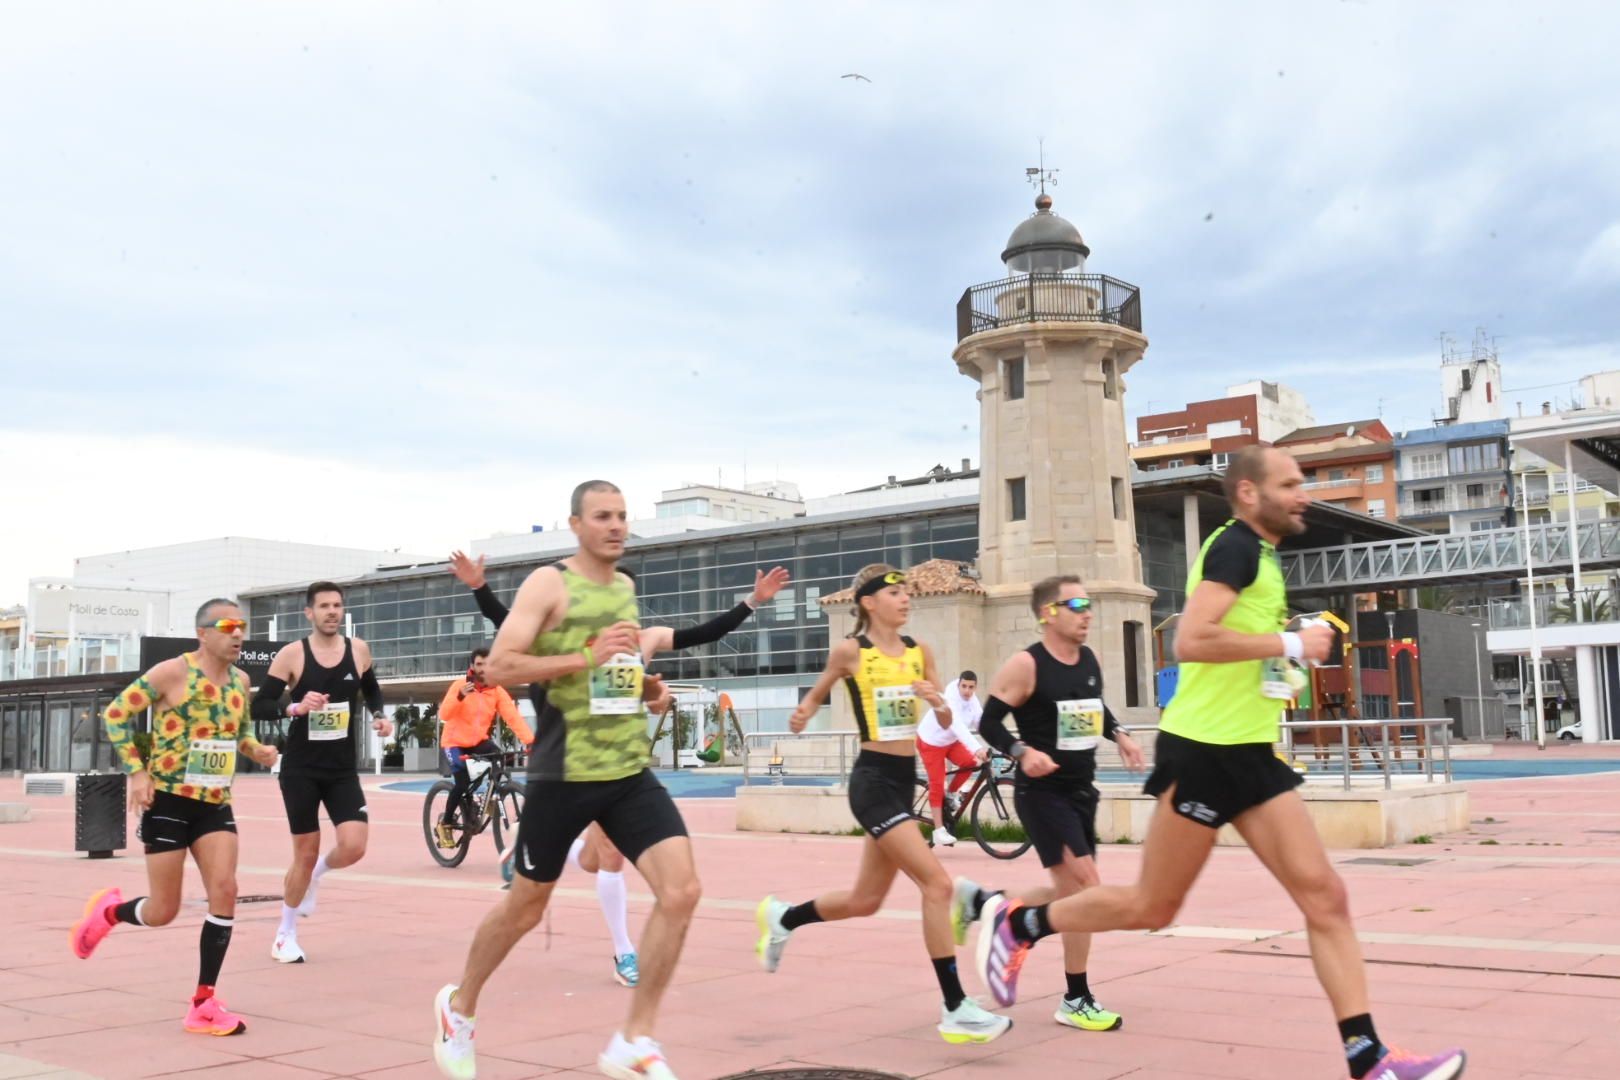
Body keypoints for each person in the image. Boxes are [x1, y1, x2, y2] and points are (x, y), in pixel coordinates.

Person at [974, 447, 1467, 1080]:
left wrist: (1286, 645)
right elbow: (1191, 640)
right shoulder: (1233, 547)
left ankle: (1368, 1057)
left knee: (1326, 897)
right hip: (1205, 752)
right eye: (1288, 485)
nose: (1302, 495)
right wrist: (1291, 642)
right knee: (1152, 907)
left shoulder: (1261, 556)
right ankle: (1023, 921)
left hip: (1252, 753)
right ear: (1247, 494)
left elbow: (1234, 640)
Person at [434, 480, 742, 1080]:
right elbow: (499, 665)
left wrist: (647, 688)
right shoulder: (550, 584)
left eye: (623, 516)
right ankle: (460, 1005)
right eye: (603, 516)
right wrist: (586, 657)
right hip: (564, 772)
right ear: (576, 524)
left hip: (627, 770)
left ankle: (636, 1037)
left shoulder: (625, 588)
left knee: (681, 892)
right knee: (525, 909)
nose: (616, 526)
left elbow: (617, 672)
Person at [449, 549, 789, 990]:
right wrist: (479, 587)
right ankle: (624, 951)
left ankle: (527, 845)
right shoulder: (566, 638)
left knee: (597, 859)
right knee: (601, 860)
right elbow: (507, 624)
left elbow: (706, 632)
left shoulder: (645, 639)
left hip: (621, 762)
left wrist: (753, 601)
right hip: (569, 760)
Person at [753, 564, 1012, 1046]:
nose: (905, 599)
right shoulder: (852, 651)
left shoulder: (920, 652)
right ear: (869, 602)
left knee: (865, 901)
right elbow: (818, 691)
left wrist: (937, 702)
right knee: (935, 883)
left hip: (900, 780)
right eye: (895, 593)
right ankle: (956, 1006)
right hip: (871, 781)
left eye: (908, 593)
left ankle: (783, 918)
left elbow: (945, 714)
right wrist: (802, 714)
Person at [71, 599, 279, 1036]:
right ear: (203, 633)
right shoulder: (172, 672)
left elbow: (240, 732)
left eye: (243, 626)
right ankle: (109, 914)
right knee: (163, 910)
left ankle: (203, 1002)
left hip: (215, 803)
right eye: (228, 626)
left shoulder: (241, 681)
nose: (238, 634)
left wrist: (255, 749)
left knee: (225, 890)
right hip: (167, 801)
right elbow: (116, 715)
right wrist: (136, 772)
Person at [952, 574, 1145, 1033]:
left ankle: (985, 904)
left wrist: (1119, 735)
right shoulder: (1026, 665)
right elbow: (991, 723)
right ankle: (1062, 980)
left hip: (1082, 790)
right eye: (1076, 603)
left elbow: (1096, 708)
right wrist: (1022, 752)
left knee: (1073, 897)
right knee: (1090, 888)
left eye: (1089, 603)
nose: (1086, 612)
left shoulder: (1089, 659)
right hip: (1042, 794)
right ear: (1047, 613)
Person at [251, 580, 393, 965]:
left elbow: (373, 689)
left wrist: (380, 716)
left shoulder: (358, 649)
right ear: (309, 613)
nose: (332, 612)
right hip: (300, 769)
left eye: (337, 605)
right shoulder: (292, 654)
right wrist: (295, 706)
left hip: (342, 769)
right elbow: (260, 705)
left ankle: (317, 874)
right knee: (305, 851)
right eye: (324, 606)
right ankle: (285, 934)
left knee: (354, 846)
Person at [436, 646, 534, 839]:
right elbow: (444, 715)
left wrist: (530, 741)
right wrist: (460, 696)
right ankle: (446, 822)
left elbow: (512, 716)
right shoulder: (459, 685)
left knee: (499, 758)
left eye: (487, 664)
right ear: (472, 666)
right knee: (462, 781)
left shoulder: (496, 690)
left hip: (478, 741)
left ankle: (489, 797)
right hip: (454, 742)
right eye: (479, 664)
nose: (483, 669)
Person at [916, 669, 986, 846]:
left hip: (950, 741)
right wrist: (977, 748)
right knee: (937, 783)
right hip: (931, 742)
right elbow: (957, 726)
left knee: (969, 763)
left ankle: (952, 794)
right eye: (964, 686)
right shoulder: (950, 698)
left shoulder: (972, 701)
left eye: (971, 687)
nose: (967, 691)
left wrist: (1003, 744)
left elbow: (982, 723)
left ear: (975, 688)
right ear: (958, 684)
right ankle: (939, 830)